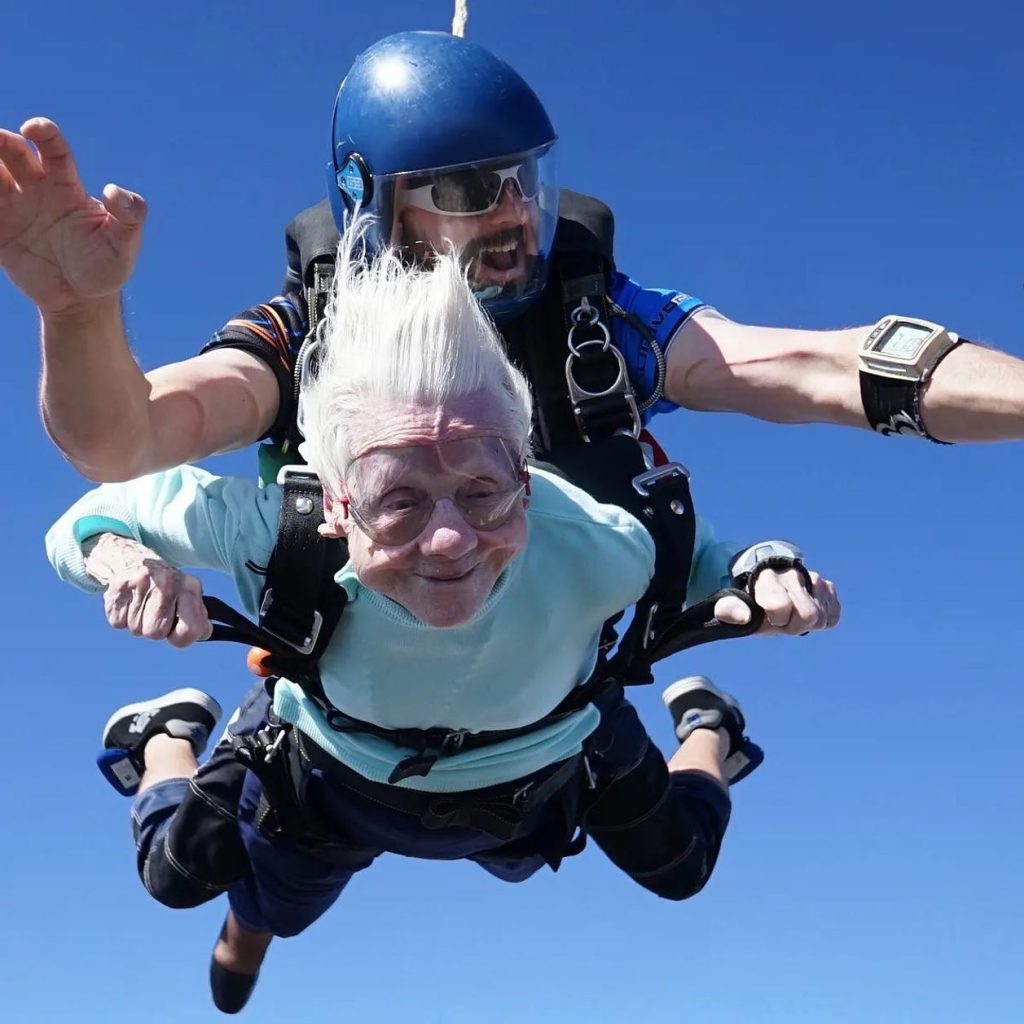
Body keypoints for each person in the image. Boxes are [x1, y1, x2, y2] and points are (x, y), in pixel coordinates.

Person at [46, 223, 840, 1013]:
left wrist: (766, 567)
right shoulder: (275, 531)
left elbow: (698, 549)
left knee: (681, 866)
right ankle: (166, 741)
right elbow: (87, 519)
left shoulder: (599, 539)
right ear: (334, 506)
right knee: (187, 881)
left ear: (525, 480)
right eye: (399, 500)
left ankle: (710, 730)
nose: (452, 539)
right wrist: (127, 562)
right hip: (336, 771)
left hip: (541, 763)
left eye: (484, 489)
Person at [2, 31, 1022, 490]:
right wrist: (75, 315)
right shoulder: (313, 333)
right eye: (458, 189)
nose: (509, 218)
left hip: (544, 706)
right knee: (253, 875)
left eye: (523, 184)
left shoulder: (598, 324)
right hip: (350, 714)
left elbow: (820, 365)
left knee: (666, 851)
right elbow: (123, 441)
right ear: (368, 205)